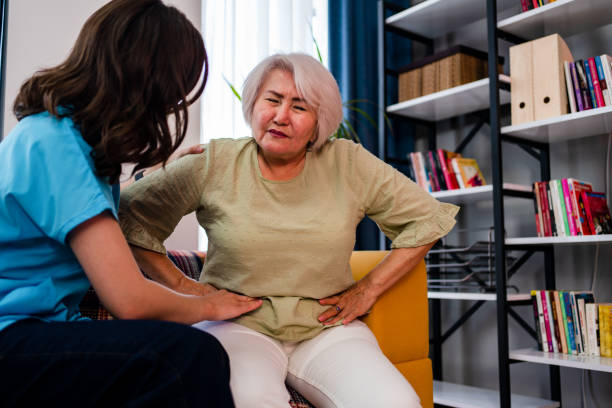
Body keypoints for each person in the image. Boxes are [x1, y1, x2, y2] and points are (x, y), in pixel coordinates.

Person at [119, 52, 459, 408]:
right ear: (253, 104)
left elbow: (426, 219)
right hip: (237, 324)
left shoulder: (348, 162)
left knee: (397, 403)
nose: (281, 116)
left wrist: (368, 289)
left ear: (319, 122)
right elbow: (128, 216)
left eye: (299, 107)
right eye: (272, 99)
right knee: (248, 400)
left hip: (327, 327)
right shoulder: (214, 161)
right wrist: (184, 288)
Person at [0, 1, 262, 406]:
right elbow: (130, 299)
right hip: (11, 336)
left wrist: (165, 175)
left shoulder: (59, 136)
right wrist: (207, 304)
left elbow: (96, 221)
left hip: (35, 327)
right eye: (173, 91)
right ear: (145, 79)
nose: (172, 105)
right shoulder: (56, 144)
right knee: (188, 357)